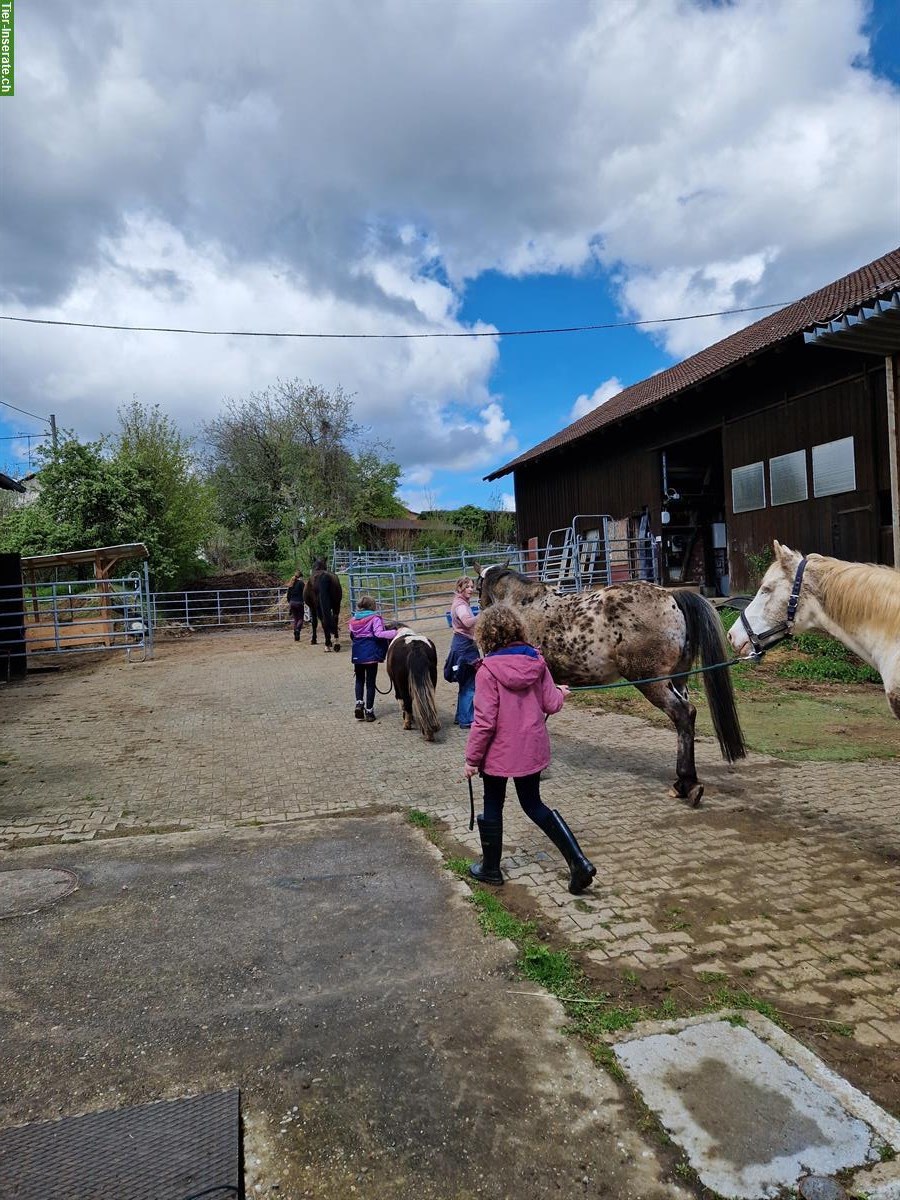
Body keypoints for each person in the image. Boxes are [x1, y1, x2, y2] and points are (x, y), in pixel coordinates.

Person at [463, 605, 596, 895]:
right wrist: (561, 693)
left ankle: (491, 868)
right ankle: (578, 862)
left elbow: (484, 722)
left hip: (497, 754)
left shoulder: (487, 671)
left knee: (492, 804)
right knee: (534, 804)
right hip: (531, 750)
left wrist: (472, 759)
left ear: (486, 636)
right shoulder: (536, 661)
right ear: (517, 629)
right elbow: (551, 704)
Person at [348, 594, 398, 722]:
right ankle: (369, 711)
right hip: (371, 654)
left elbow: (352, 636)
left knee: (359, 679)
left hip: (357, 653)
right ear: (372, 606)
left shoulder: (353, 620)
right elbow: (378, 634)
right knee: (370, 683)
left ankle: (359, 703)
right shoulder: (374, 618)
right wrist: (395, 632)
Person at [445, 576, 480, 728]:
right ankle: (466, 720)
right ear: (460, 588)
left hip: (461, 645)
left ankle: (460, 716)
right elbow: (466, 622)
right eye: (468, 587)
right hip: (465, 648)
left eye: (472, 587)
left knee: (465, 684)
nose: (471, 590)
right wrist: (482, 616)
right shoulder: (461, 605)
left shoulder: (460, 603)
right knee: (470, 685)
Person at [285, 570, 305, 641]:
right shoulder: (301, 583)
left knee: (295, 619)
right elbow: (305, 593)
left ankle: (295, 632)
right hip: (299, 603)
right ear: (300, 577)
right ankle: (297, 630)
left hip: (292, 603)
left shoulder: (291, 584)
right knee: (301, 618)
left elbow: (288, 596)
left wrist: (290, 603)